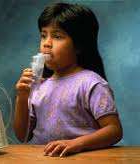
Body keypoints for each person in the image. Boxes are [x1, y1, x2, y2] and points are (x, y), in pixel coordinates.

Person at [13, 2, 123, 157]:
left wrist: (76, 143)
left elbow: (114, 131)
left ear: (79, 45)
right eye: (44, 35)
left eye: (57, 36)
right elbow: (22, 136)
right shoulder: (39, 86)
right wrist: (22, 97)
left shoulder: (91, 83)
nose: (47, 43)